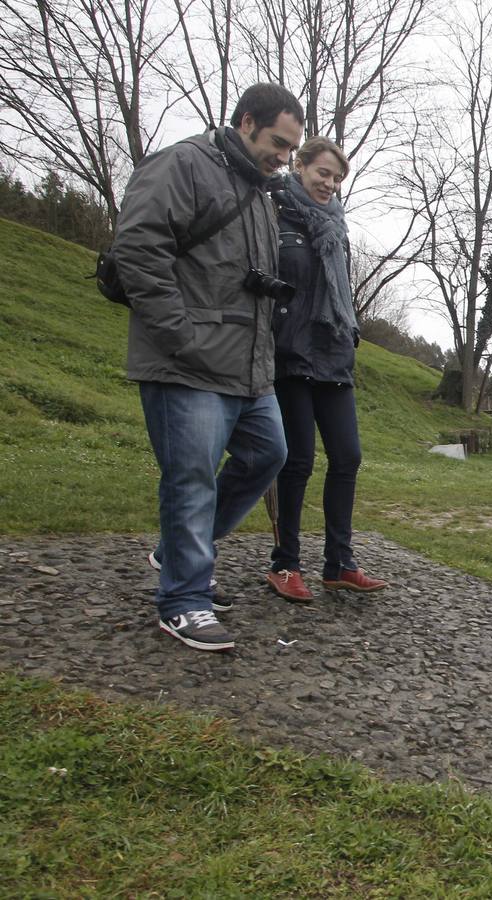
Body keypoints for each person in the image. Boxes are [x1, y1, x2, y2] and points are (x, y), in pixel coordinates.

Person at [112, 83, 305, 651]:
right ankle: (184, 600)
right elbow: (138, 247)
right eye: (278, 142)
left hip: (248, 368)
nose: (285, 157)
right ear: (247, 121)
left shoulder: (262, 194)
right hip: (186, 362)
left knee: (269, 454)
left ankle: (179, 554)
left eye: (292, 148)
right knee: (191, 477)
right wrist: (178, 333)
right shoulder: (182, 163)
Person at [264, 136, 387, 601]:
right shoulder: (273, 211)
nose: (329, 184)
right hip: (291, 352)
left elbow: (341, 294)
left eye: (337, 178)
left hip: (334, 352)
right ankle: (285, 563)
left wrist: (349, 334)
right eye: (323, 173)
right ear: (300, 165)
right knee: (297, 461)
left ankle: (339, 562)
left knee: (348, 456)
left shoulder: (336, 226)